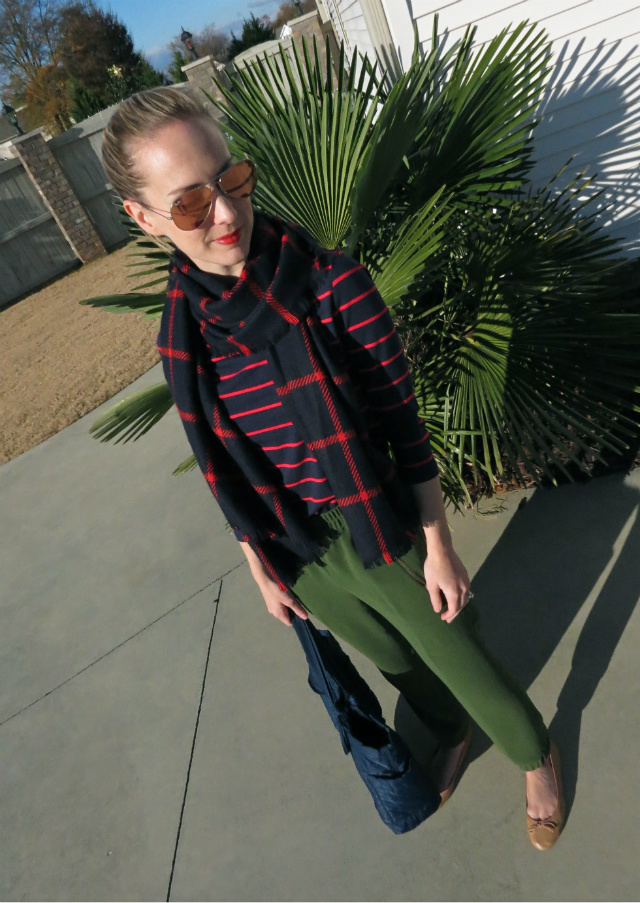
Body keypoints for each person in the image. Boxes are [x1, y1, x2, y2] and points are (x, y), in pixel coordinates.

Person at [102, 86, 565, 850]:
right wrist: (259, 564)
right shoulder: (181, 335)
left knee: (457, 651)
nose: (224, 213)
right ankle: (451, 730)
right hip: (298, 547)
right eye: (188, 204)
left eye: (232, 179)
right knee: (395, 661)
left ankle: (531, 748)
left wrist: (439, 543)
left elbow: (403, 426)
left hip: (375, 517)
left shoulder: (331, 285)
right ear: (143, 219)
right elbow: (221, 466)